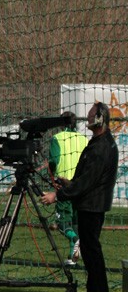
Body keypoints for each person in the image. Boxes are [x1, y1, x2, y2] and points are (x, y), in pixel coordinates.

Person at [41, 102, 119, 292]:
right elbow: (88, 178)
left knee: (91, 247)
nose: (89, 118)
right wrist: (69, 183)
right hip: (93, 202)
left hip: (92, 204)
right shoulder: (100, 142)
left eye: (92, 115)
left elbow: (87, 182)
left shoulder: (100, 147)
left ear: (100, 119)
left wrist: (56, 195)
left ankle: (97, 291)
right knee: (90, 247)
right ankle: (98, 290)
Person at [48, 111, 87, 261]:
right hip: (80, 187)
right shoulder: (84, 139)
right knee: (76, 221)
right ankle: (72, 257)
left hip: (64, 186)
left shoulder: (57, 138)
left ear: (61, 124)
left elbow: (54, 161)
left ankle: (75, 240)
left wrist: (51, 173)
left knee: (61, 222)